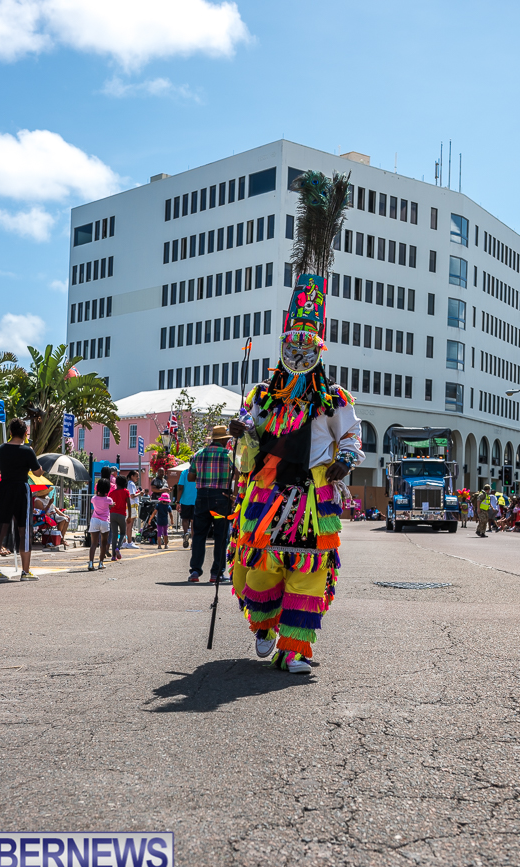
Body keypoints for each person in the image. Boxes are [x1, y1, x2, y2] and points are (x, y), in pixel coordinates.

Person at [228, 169, 364, 675]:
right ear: (284, 344)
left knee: (308, 572)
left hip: (312, 493)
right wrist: (242, 430)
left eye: (308, 344)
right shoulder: (264, 392)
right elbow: (247, 426)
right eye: (293, 343)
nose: (300, 351)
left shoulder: (333, 396)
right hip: (266, 494)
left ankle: (295, 648)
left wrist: (345, 457)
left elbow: (352, 434)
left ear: (319, 347)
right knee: (259, 569)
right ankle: (265, 627)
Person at [0, 417, 44, 584]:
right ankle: (26, 571)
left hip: (3, 489)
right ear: (25, 433)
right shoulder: (28, 451)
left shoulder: (0, 450)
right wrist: (38, 464)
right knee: (24, 530)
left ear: (10, 432)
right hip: (21, 490)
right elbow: (38, 473)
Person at [187, 425, 233, 583]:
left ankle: (195, 571)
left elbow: (190, 477)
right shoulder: (229, 454)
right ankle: (216, 573)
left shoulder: (199, 453)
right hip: (222, 497)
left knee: (199, 534)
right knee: (221, 536)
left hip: (202, 496)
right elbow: (237, 474)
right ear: (224, 440)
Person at [88, 478, 113, 570]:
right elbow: (109, 505)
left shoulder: (93, 498)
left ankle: (91, 563)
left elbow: (96, 500)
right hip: (105, 521)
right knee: (103, 543)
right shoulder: (109, 499)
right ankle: (101, 563)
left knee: (93, 544)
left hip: (95, 520)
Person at [109, 474, 131, 560]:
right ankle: (118, 548)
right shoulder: (126, 492)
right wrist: (129, 516)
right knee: (122, 533)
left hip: (112, 514)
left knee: (114, 534)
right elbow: (129, 504)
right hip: (122, 514)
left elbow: (109, 505)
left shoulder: (112, 493)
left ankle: (113, 556)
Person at [177, 464, 197, 549]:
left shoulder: (184, 473)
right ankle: (193, 542)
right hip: (197, 500)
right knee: (193, 521)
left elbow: (180, 487)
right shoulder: (199, 473)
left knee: (185, 519)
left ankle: (185, 533)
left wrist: (178, 501)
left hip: (185, 500)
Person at [124, 471, 142, 548]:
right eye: (136, 476)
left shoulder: (128, 483)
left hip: (129, 506)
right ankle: (129, 542)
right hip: (132, 506)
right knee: (130, 525)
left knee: (127, 525)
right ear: (132, 476)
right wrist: (140, 493)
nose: (138, 478)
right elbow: (132, 495)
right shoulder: (131, 484)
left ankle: (125, 542)